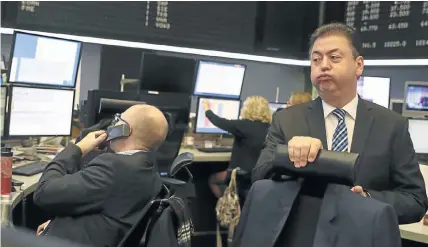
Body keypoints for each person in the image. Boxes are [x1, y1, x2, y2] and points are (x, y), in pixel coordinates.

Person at [252, 23, 428, 224]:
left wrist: (368, 201)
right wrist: (288, 156)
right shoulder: (287, 119)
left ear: (358, 65)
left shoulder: (391, 125)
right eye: (316, 59)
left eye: (334, 57)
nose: (323, 65)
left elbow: (415, 199)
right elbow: (258, 178)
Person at [33, 104, 169, 247]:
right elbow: (105, 211)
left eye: (118, 120)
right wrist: (56, 223)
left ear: (125, 130)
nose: (113, 125)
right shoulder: (147, 166)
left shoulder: (114, 167)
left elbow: (44, 192)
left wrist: (77, 148)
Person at [203, 96, 271, 198]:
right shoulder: (270, 128)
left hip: (240, 176)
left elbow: (220, 122)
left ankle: (227, 207)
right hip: (258, 176)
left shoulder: (243, 125)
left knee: (213, 179)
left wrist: (207, 109)